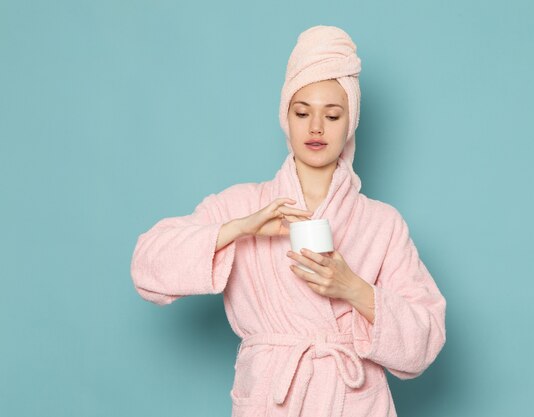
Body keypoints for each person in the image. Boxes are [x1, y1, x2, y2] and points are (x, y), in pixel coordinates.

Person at [130, 25, 446, 417]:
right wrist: (240, 229)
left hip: (352, 400)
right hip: (273, 400)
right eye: (302, 112)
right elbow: (147, 265)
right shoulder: (245, 204)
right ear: (286, 117)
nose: (316, 127)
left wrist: (354, 289)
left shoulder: (382, 223)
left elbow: (425, 340)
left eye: (332, 115)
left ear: (351, 124)